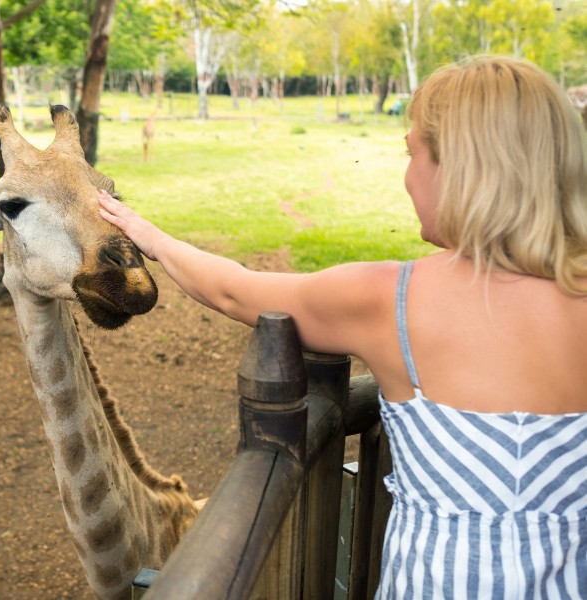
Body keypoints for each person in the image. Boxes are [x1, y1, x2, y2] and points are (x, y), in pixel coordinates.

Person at [98, 55, 587, 598]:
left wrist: (151, 237)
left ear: (460, 168)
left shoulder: (392, 300)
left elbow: (233, 290)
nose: (407, 175)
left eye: (413, 153)